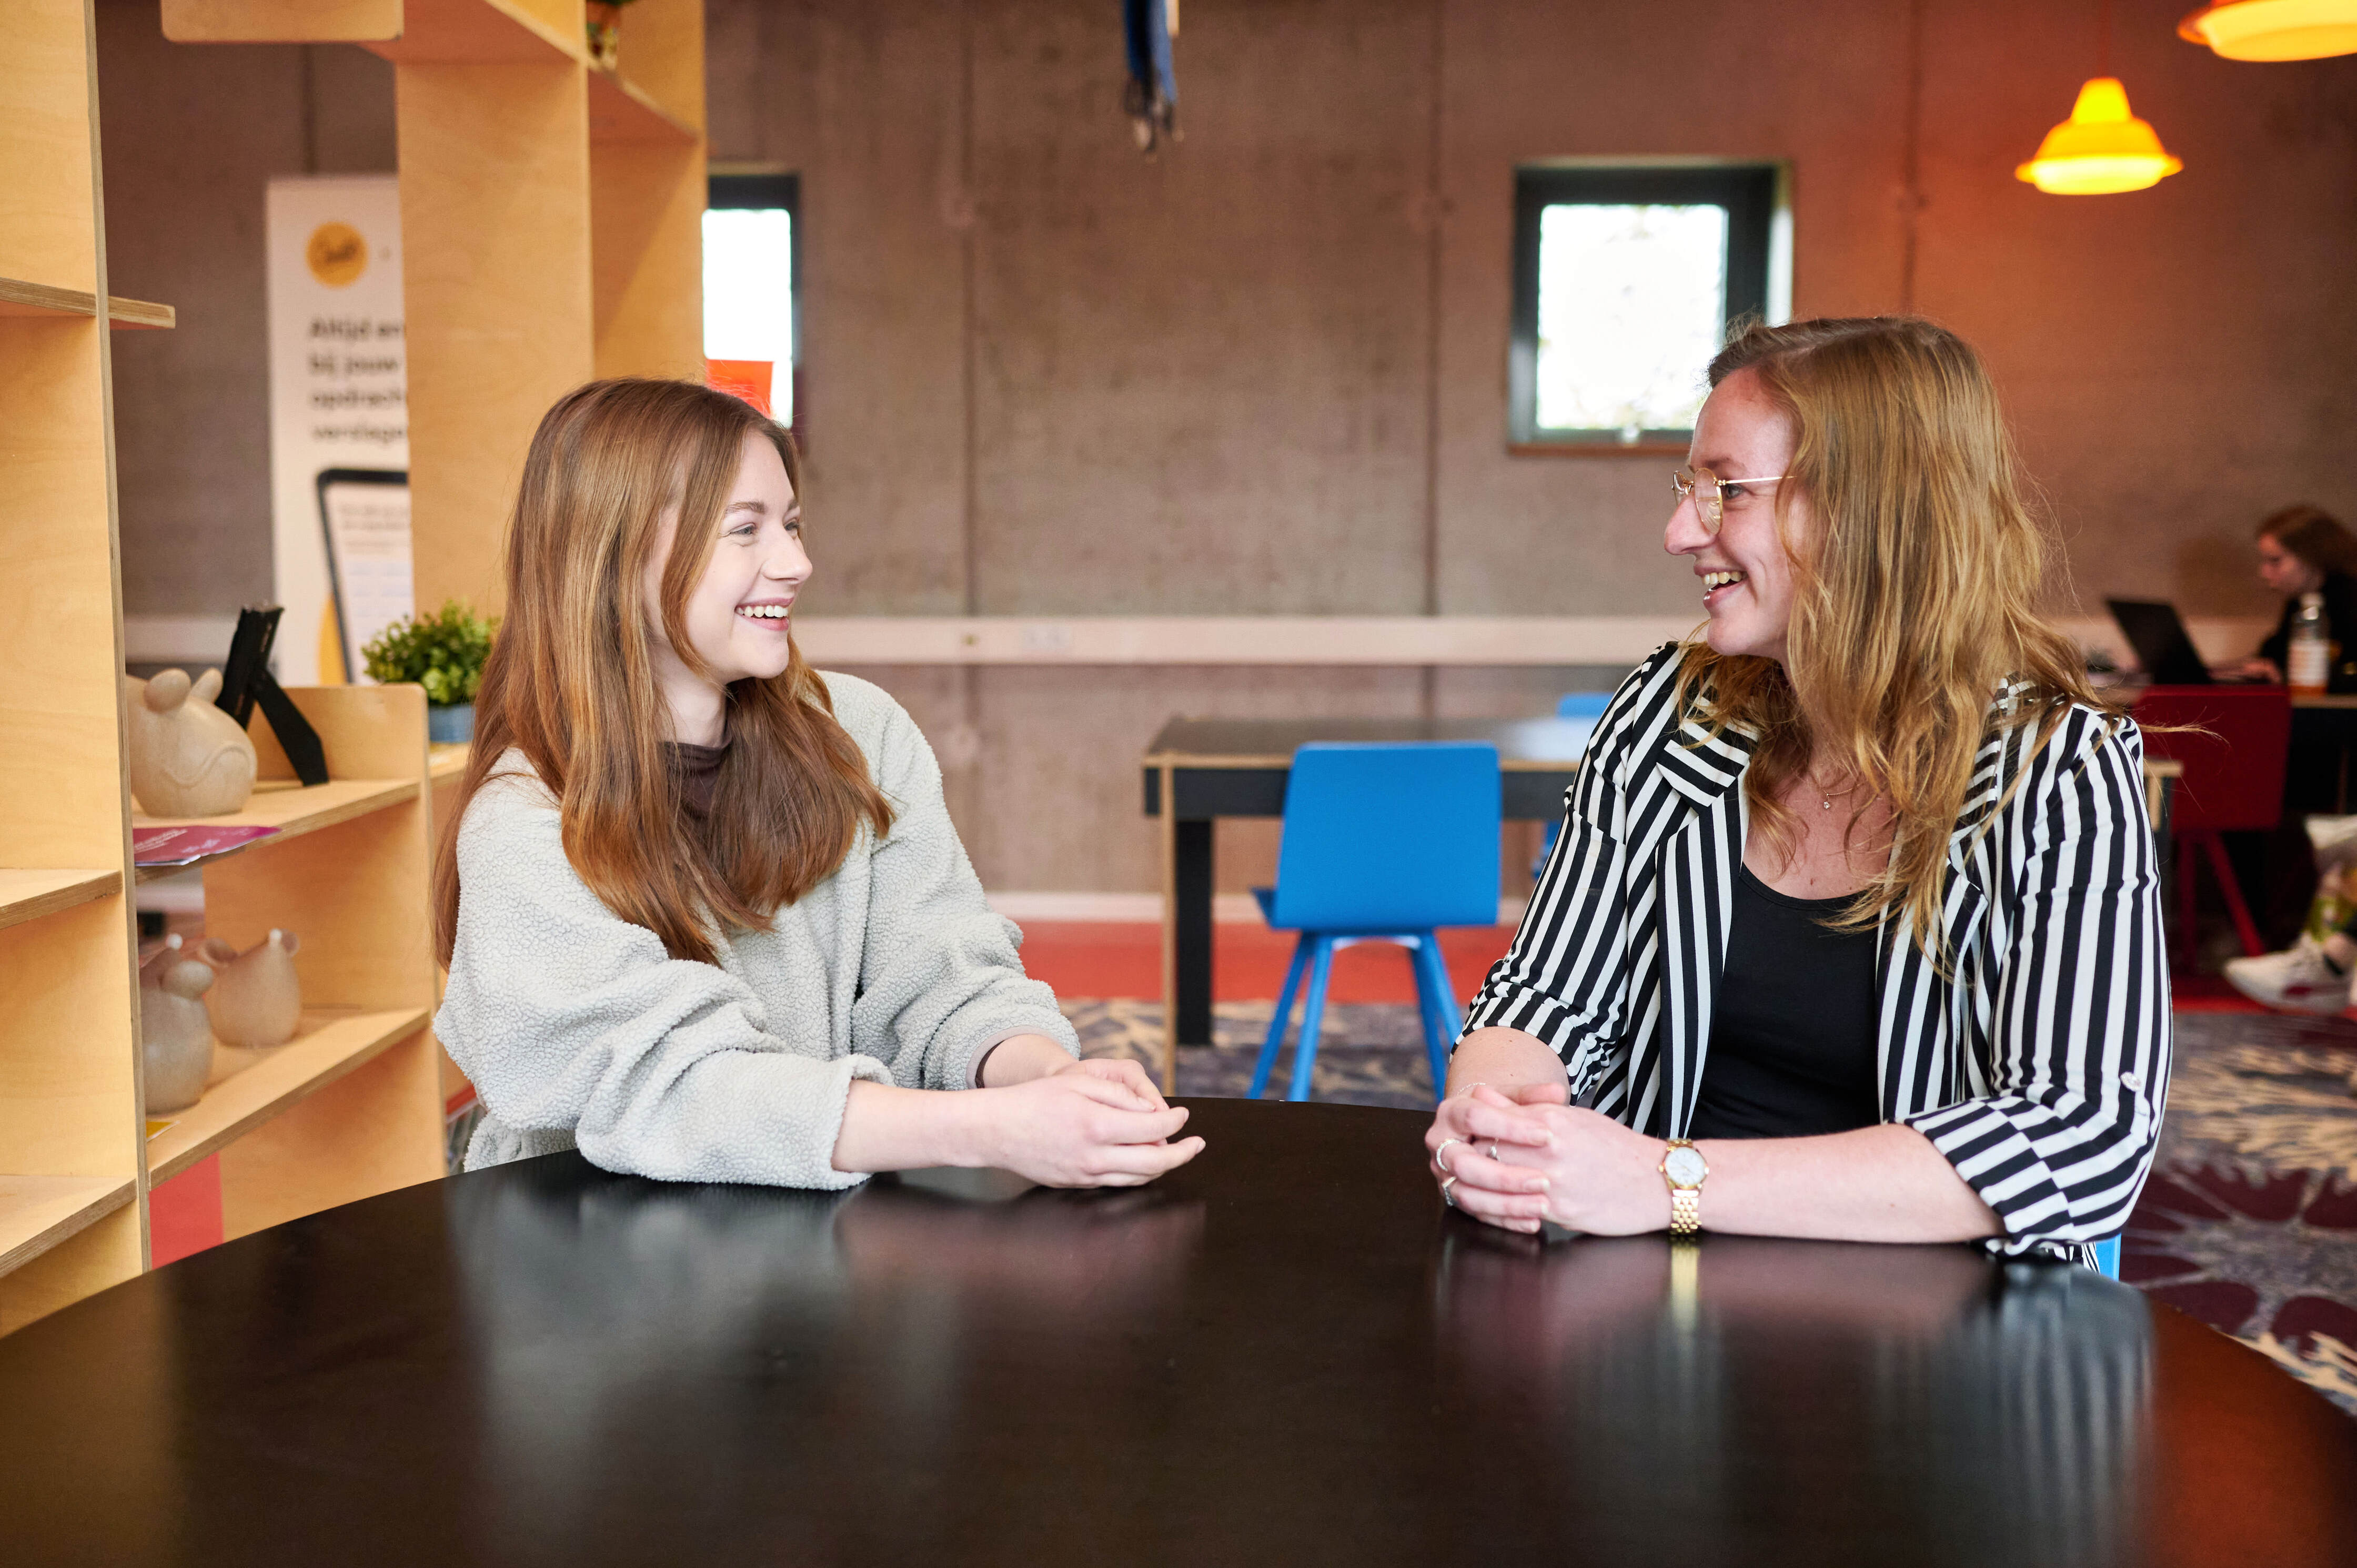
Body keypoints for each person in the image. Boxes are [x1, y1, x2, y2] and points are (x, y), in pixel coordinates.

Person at [1423, 317, 2169, 1264]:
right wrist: (1493, 1118)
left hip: (1928, 1343)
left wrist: (1669, 1181)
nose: (1679, 531)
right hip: (1652, 1288)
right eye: (1688, 487)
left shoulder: (2058, 768)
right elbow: (1546, 993)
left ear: (1870, 512)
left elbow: (2082, 1135)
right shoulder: (1671, 707)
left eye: (1724, 491)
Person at [433, 378, 1203, 1190]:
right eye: (746, 531)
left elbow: (942, 971)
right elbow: (677, 1086)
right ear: (615, 557)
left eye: (793, 524)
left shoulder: (858, 732)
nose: (797, 562)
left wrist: (1041, 1076)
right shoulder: (522, 819)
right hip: (595, 1264)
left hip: (823, 1247)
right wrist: (988, 1130)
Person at [2229, 504, 2357, 689]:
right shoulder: (2300, 602)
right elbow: (2276, 653)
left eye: (2275, 561)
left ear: (2311, 557)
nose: (2264, 572)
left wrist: (2285, 676)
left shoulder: (2350, 600)